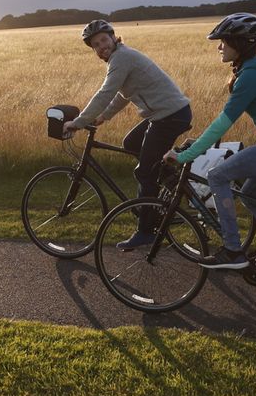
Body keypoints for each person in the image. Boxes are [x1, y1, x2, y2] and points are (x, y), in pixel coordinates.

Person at [165, 12, 256, 269]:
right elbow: (222, 124)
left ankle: (233, 251)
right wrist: (198, 143)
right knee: (249, 193)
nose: (219, 46)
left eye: (224, 41)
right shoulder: (251, 71)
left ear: (241, 44)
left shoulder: (251, 77)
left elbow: (224, 121)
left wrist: (187, 156)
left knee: (217, 176)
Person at [64, 19, 192, 249]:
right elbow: (124, 94)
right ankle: (170, 181)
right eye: (96, 44)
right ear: (94, 50)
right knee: (132, 142)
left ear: (113, 37)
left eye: (104, 39)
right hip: (167, 114)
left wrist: (79, 122)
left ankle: (145, 231)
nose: (101, 46)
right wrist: (104, 116)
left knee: (144, 173)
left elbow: (106, 92)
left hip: (169, 116)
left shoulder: (121, 57)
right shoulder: (120, 57)